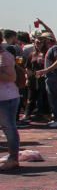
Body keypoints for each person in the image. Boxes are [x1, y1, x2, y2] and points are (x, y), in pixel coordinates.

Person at [37, 31, 57, 128]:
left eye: (43, 39)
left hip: (54, 77)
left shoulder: (55, 48)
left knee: (55, 98)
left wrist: (46, 70)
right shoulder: (54, 48)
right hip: (55, 76)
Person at [0, 44, 20, 172]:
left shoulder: (5, 56)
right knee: (7, 127)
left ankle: (13, 158)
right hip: (5, 97)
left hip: (6, 97)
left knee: (9, 127)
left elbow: (12, 77)